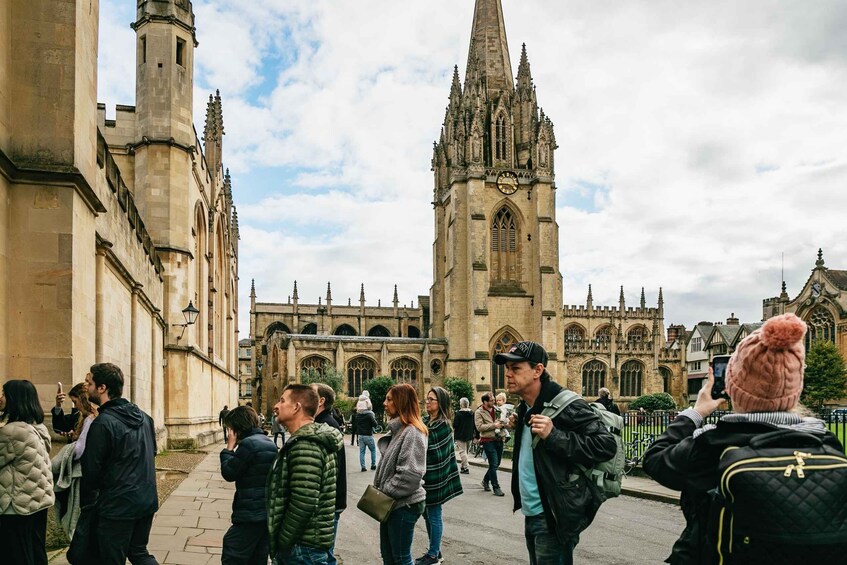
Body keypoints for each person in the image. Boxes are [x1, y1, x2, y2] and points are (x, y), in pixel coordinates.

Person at [643, 314, 844, 564]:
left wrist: (696, 412)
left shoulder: (713, 445)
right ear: (795, 388)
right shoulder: (828, 444)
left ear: (732, 387)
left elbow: (655, 460)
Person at [497, 341, 616, 565]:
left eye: (515, 368)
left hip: (553, 516)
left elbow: (606, 445)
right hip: (532, 513)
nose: (508, 375)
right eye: (507, 369)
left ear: (538, 370)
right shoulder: (526, 406)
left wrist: (554, 435)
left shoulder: (566, 404)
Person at [82, 362, 159, 565]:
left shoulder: (103, 422)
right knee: (139, 553)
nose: (86, 387)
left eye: (89, 382)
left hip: (117, 506)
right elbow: (153, 454)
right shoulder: (145, 418)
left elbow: (91, 471)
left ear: (102, 388)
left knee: (111, 558)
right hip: (146, 499)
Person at [267, 384, 343, 565]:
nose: (276, 405)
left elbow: (304, 502)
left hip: (302, 547)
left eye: (282, 400)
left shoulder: (306, 445)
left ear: (296, 407)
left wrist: (283, 541)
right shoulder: (304, 440)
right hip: (305, 546)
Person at [0, 380, 55, 565]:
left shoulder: (12, 432)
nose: (1, 398)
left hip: (15, 507)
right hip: (36, 503)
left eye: (4, 394)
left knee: (15, 556)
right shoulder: (38, 429)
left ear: (14, 399)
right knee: (35, 553)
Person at [374, 383, 428, 565]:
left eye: (389, 399)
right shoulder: (401, 430)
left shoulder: (412, 432)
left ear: (401, 402)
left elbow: (410, 475)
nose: (384, 403)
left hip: (403, 505)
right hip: (392, 504)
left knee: (401, 559)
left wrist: (385, 492)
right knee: (389, 556)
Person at [219, 406, 277, 565]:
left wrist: (228, 449)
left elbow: (229, 473)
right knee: (257, 557)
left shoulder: (249, 444)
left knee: (233, 554)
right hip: (264, 512)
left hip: (249, 512)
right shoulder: (267, 441)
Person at [416, 387, 463, 565]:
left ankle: (434, 555)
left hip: (437, 476)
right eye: (427, 399)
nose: (427, 402)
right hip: (426, 476)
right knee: (427, 515)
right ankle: (436, 551)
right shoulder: (427, 421)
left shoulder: (443, 424)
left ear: (440, 403)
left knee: (434, 514)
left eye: (431, 400)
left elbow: (433, 449)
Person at [51, 382, 98, 538]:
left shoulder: (90, 417)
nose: (75, 406)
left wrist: (69, 449)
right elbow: (59, 426)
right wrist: (58, 405)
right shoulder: (83, 415)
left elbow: (79, 449)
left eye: (75, 402)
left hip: (82, 471)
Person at [311, 384, 348, 565]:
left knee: (324, 555)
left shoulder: (324, 426)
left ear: (321, 401)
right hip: (331, 502)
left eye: (311, 393)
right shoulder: (323, 422)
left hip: (329, 503)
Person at [474, 392, 505, 496]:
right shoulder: (479, 412)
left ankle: (485, 481)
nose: (494, 402)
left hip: (499, 438)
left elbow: (500, 422)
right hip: (488, 440)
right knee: (493, 464)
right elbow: (479, 427)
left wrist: (503, 423)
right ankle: (496, 487)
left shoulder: (497, 409)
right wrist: (494, 425)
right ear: (485, 402)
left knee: (496, 464)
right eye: (491, 400)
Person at [452, 397, 474, 474]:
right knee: (466, 452)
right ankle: (463, 467)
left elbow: (455, 425)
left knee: (462, 452)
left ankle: (466, 467)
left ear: (461, 404)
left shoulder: (458, 414)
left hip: (460, 435)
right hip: (469, 434)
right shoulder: (472, 413)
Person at [356, 403, 379, 471]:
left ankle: (363, 467)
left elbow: (356, 424)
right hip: (368, 435)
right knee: (373, 450)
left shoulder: (358, 415)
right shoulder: (369, 415)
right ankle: (373, 465)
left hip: (360, 435)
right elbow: (375, 424)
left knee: (362, 452)